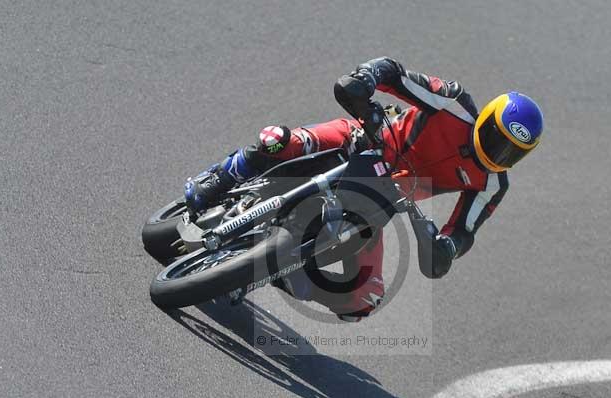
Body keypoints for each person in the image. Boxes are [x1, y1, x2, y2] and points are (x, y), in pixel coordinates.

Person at [184, 57, 543, 321]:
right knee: (281, 142)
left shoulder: (493, 183)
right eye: (498, 139)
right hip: (362, 142)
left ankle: (279, 270)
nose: (499, 152)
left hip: (381, 200)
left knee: (363, 302)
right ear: (487, 119)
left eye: (512, 151)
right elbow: (395, 73)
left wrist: (445, 246)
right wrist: (366, 78)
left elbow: (463, 230)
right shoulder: (453, 103)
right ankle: (220, 178)